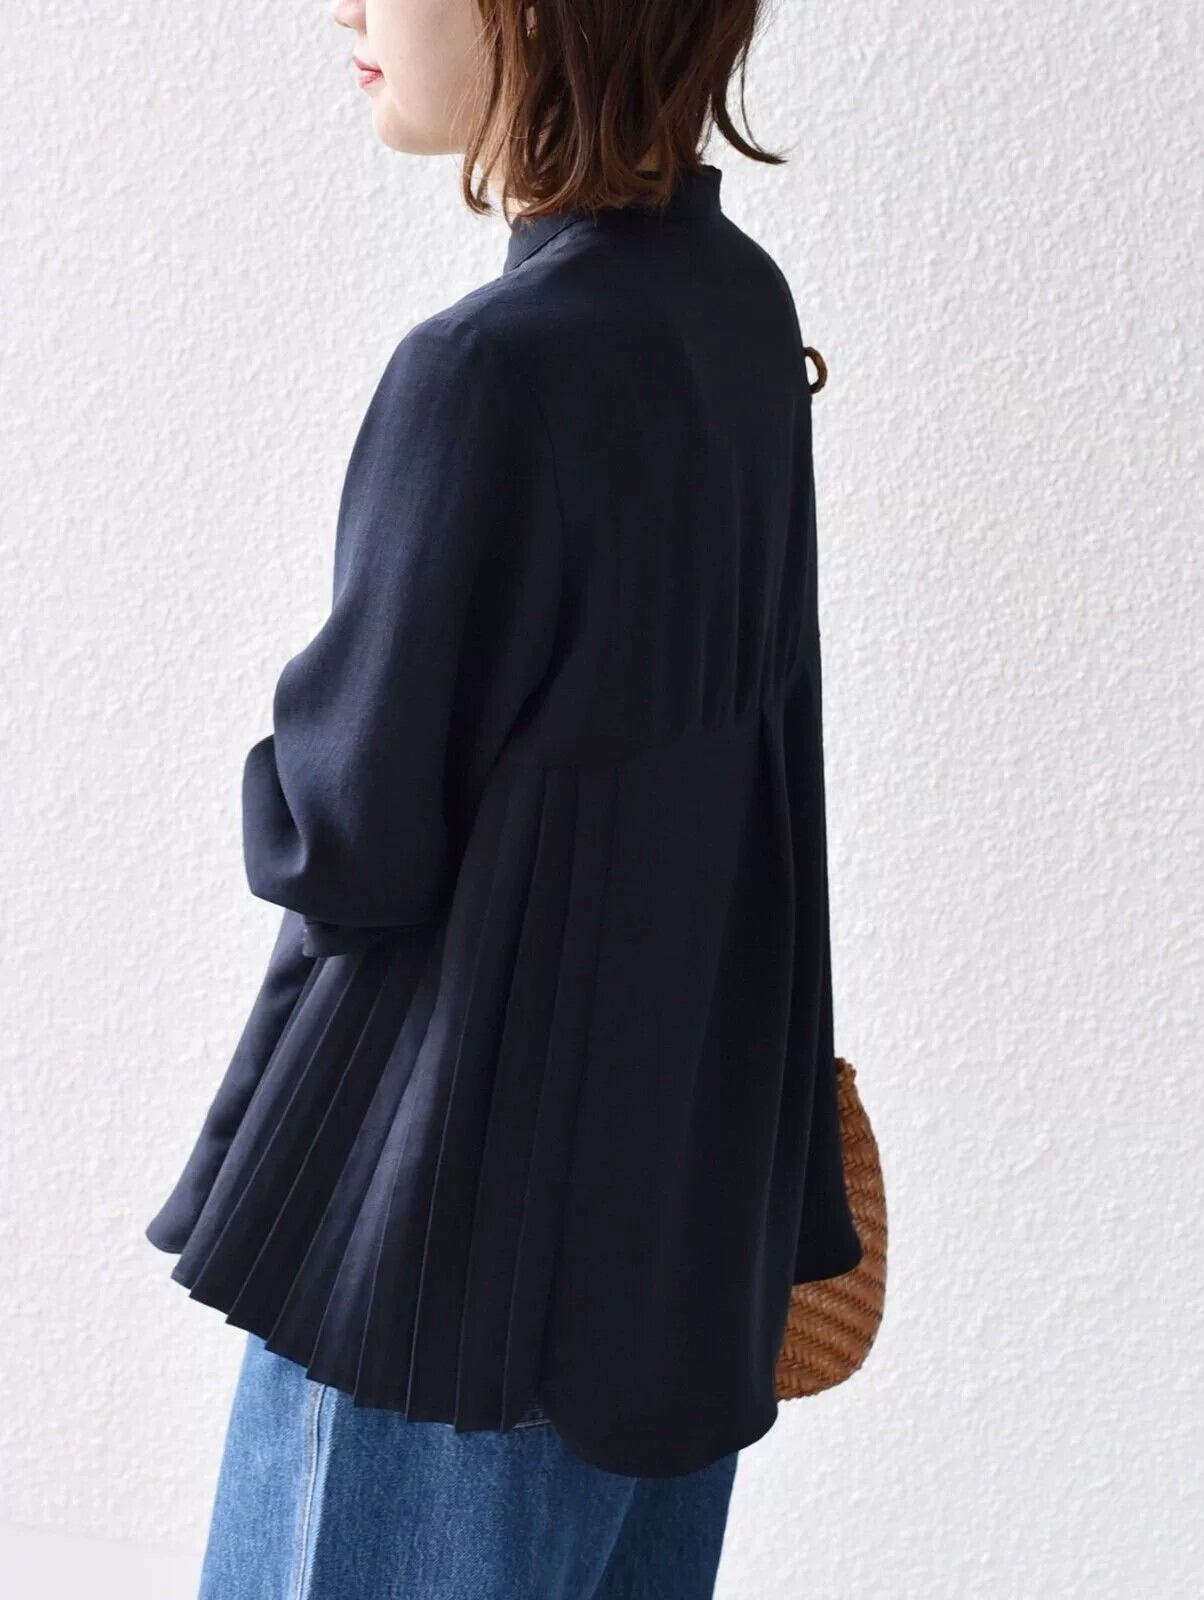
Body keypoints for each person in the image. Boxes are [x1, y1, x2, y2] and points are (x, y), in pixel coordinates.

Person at [145, 1, 862, 1595]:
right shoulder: (735, 306)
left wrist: (289, 750)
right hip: (673, 1239)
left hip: (443, 1265)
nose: (347, 6)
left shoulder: (484, 372)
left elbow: (349, 842)